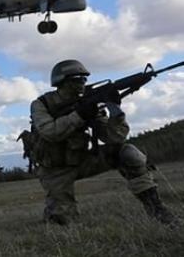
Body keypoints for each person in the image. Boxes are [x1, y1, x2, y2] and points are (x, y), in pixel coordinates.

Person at [30, 59, 176, 226]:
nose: (82, 84)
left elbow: (113, 138)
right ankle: (55, 214)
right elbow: (50, 132)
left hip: (82, 161)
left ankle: (158, 211)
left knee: (128, 153)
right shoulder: (41, 104)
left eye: (84, 79)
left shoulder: (87, 104)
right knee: (62, 222)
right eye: (76, 79)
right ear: (61, 82)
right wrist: (80, 115)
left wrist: (115, 110)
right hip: (54, 171)